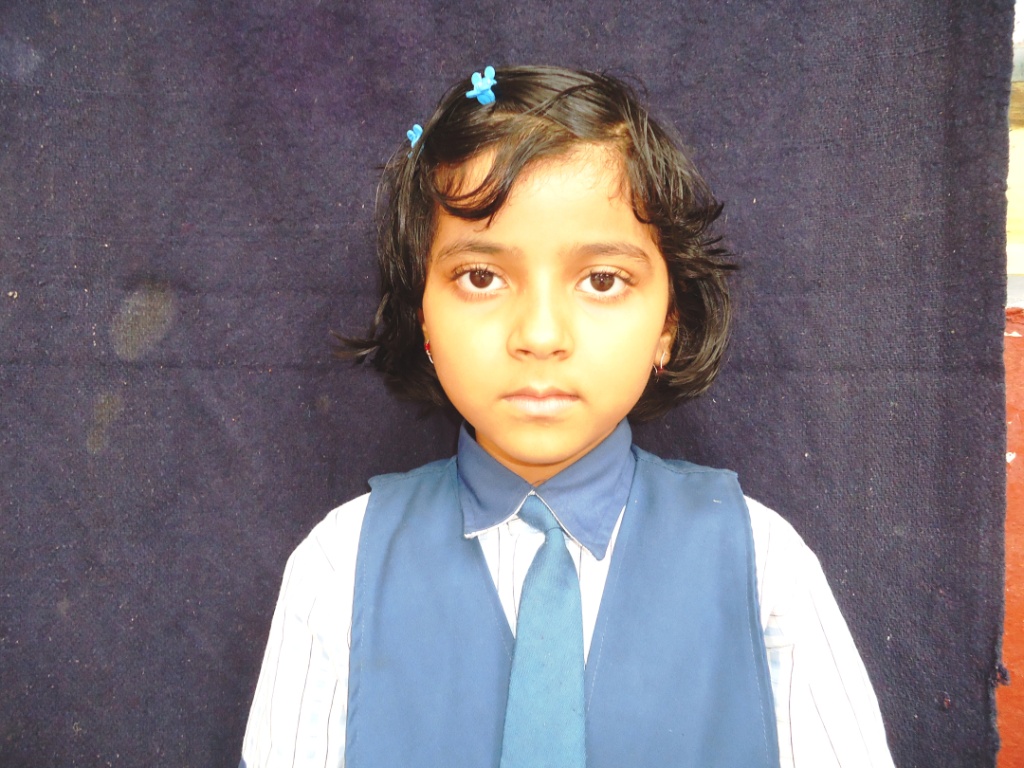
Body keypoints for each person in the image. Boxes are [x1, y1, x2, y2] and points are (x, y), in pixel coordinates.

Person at [239, 65, 894, 768]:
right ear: (422, 315)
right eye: (481, 277)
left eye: (602, 280)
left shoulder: (764, 567)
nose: (541, 334)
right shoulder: (338, 568)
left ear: (669, 323)